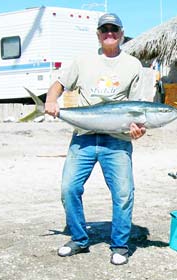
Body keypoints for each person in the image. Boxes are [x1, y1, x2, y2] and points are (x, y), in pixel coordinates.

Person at [45, 13, 146, 265]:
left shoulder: (133, 65)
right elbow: (59, 83)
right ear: (98, 34)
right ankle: (79, 239)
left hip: (117, 140)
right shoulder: (82, 61)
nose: (109, 34)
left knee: (123, 193)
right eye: (104, 30)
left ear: (122, 34)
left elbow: (138, 108)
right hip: (84, 137)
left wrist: (139, 130)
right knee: (69, 188)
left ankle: (120, 245)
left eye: (114, 30)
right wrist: (50, 100)